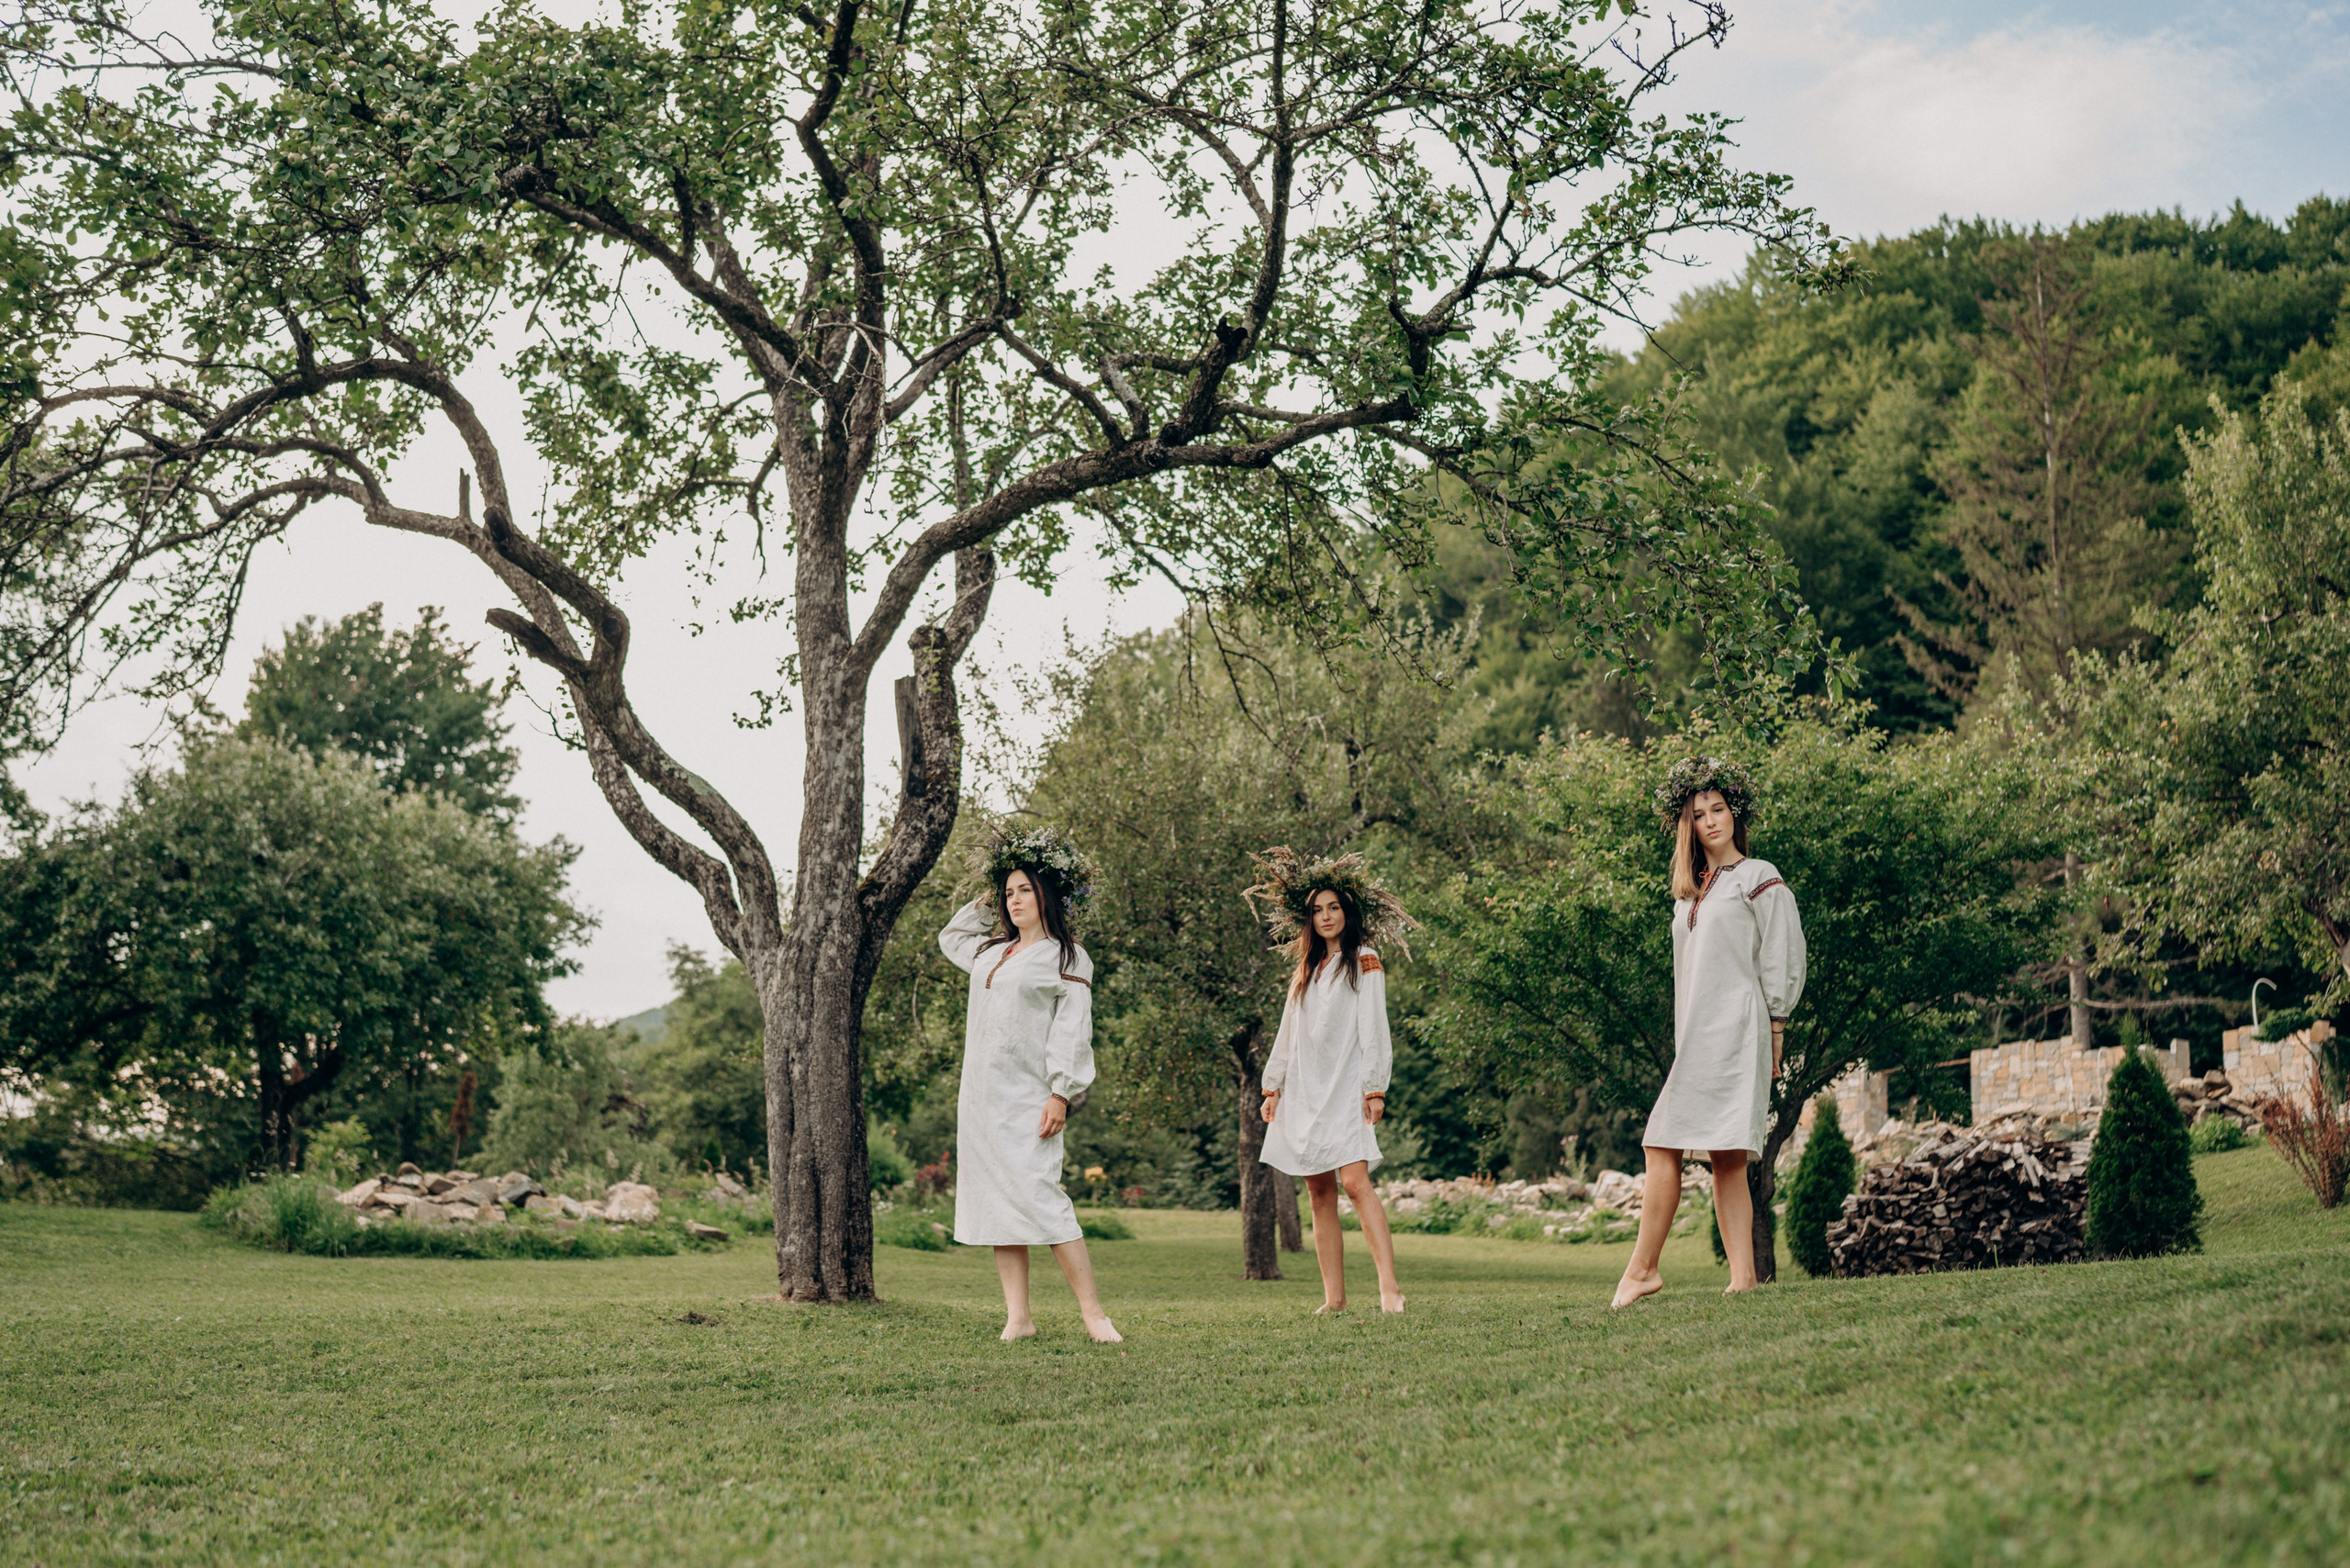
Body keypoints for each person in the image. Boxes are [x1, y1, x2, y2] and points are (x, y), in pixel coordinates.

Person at [1614, 756, 1807, 1308]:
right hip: (1698, 1035)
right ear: (1688, 826)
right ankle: (1744, 1279)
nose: (1711, 821)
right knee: (1722, 1157)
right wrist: (1683, 1042)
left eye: (1719, 809)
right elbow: (1685, 975)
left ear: (1734, 814)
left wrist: (1776, 1031)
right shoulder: (1689, 892)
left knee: (1664, 1142)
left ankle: (1643, 1269)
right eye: (1699, 814)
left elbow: (1781, 955)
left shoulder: (1758, 877)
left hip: (1740, 1030)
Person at [939, 826, 1121, 1343]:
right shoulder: (990, 953)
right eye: (1008, 892)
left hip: (1030, 1096)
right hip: (979, 1097)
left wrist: (1061, 1092)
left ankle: (1093, 1313)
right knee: (998, 1201)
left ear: (1048, 895)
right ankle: (1018, 1318)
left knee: (1041, 1197)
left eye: (1025, 889)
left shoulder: (1067, 957)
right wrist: (987, 891)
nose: (1014, 900)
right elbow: (951, 937)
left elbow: (1073, 1029)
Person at [1245, 848, 1419, 1315]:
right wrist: (1272, 1085)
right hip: (1305, 1089)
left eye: (1334, 907)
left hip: (1346, 1087)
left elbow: (1374, 1026)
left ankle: (1389, 1289)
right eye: (1317, 910)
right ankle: (1335, 1299)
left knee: (1357, 1184)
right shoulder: (1305, 969)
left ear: (1348, 911)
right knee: (1318, 1191)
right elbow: (1287, 1031)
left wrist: (1374, 1087)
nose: (1325, 916)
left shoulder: (1364, 959)